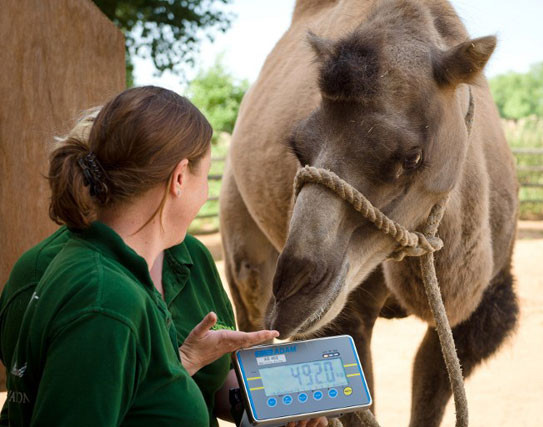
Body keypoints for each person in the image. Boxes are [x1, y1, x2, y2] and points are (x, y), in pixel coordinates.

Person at [0, 87, 327, 427]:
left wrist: (185, 362)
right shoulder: (107, 301)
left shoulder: (109, 270)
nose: (207, 193)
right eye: (206, 174)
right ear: (180, 178)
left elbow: (131, 395)